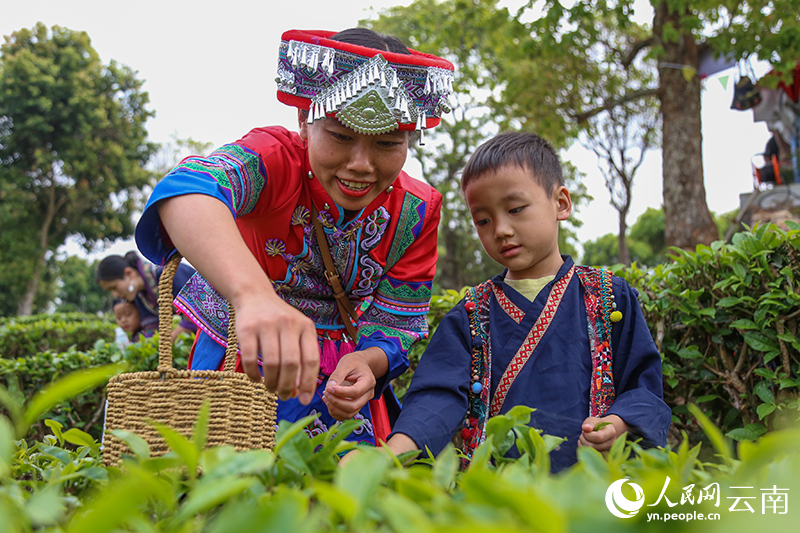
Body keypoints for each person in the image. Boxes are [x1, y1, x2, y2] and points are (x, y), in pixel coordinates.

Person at [133, 28, 453, 445]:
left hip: (340, 385)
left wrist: (367, 363)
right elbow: (186, 192)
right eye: (340, 136)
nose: (360, 164)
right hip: (239, 361)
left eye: (388, 143)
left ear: (410, 139)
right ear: (304, 120)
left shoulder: (416, 209)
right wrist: (252, 296)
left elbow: (396, 319)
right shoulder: (273, 158)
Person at [383, 132, 671, 471]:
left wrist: (619, 424)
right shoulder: (470, 316)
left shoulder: (610, 297)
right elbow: (436, 399)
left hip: (591, 490)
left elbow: (644, 387)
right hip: (496, 497)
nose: (501, 230)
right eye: (483, 220)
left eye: (516, 209)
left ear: (561, 203)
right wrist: (388, 457)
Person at [97, 251, 198, 343]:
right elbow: (151, 328)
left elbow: (196, 315)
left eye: (114, 288)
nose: (115, 295)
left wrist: (163, 345)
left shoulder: (168, 274)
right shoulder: (141, 296)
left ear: (129, 273)